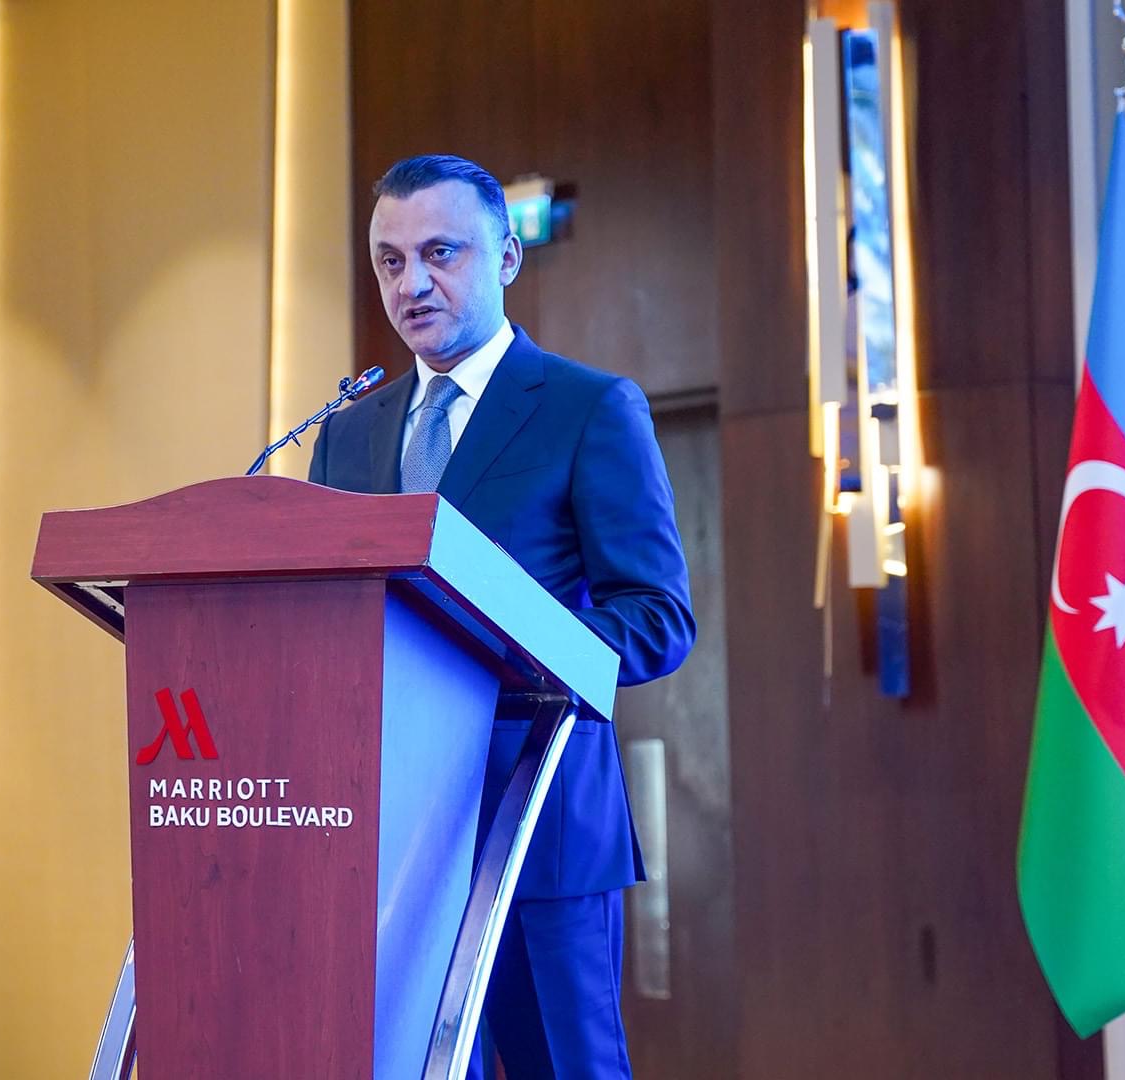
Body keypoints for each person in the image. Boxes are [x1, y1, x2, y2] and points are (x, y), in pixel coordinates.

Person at [308, 154, 695, 1079]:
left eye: (440, 253)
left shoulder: (587, 409)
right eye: (390, 261)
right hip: (390, 843)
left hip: (540, 832)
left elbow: (657, 617)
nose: (412, 283)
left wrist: (506, 649)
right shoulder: (348, 431)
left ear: (508, 257)